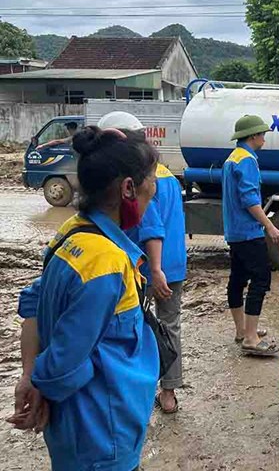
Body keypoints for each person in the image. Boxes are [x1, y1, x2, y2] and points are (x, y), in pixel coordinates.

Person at [7, 126, 160, 470]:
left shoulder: (72, 232)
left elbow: (32, 304)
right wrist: (42, 385)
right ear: (128, 189)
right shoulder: (104, 261)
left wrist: (29, 375)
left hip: (80, 433)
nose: (155, 190)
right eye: (151, 181)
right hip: (101, 433)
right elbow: (65, 359)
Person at [98, 111, 187, 414]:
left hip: (146, 268)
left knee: (135, 327)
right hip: (173, 264)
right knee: (170, 325)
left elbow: (151, 226)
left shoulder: (137, 179)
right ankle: (170, 391)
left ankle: (138, 389)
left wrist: (156, 270)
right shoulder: (166, 173)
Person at [223, 115, 279, 357]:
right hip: (248, 232)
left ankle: (243, 330)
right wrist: (269, 225)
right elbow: (250, 200)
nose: (263, 138)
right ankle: (250, 337)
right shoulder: (247, 160)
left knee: (237, 279)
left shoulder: (233, 158)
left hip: (235, 231)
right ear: (252, 136)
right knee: (260, 279)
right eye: (261, 134)